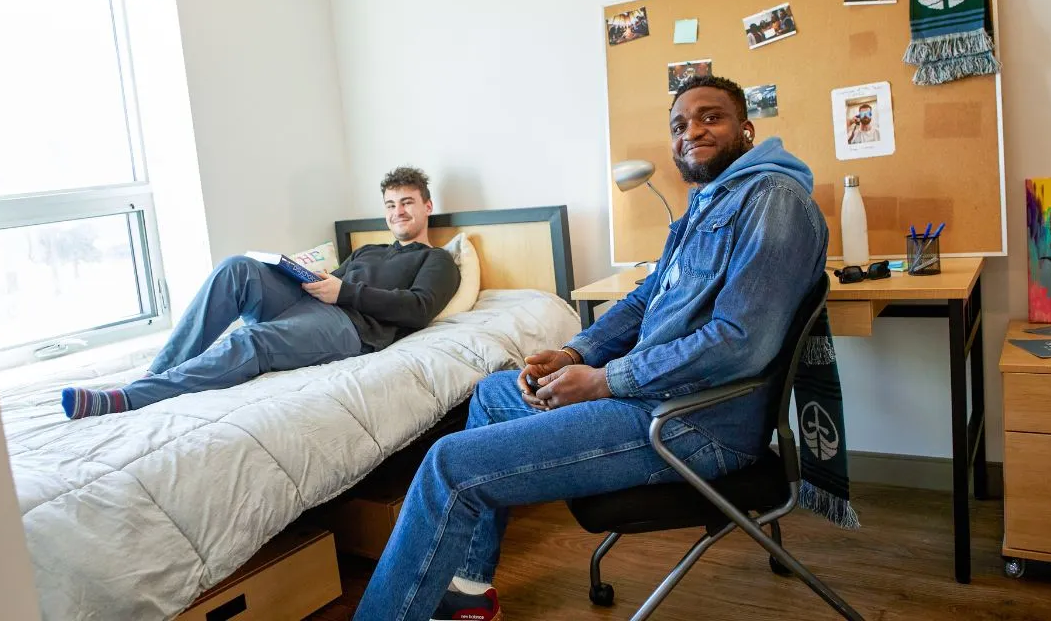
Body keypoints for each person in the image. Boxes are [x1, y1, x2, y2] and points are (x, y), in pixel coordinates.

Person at [353, 76, 828, 621]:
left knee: (448, 466)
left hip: (693, 423)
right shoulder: (706, 205)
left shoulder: (774, 201)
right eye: (679, 125)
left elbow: (740, 343)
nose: (692, 131)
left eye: (710, 117)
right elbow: (644, 298)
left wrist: (606, 380)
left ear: (746, 129)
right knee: (489, 394)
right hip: (650, 400)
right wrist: (575, 354)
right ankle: (468, 588)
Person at [61, 167, 461, 419]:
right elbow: (336, 282)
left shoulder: (438, 260)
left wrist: (344, 292)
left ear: (427, 206)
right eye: (390, 204)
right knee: (237, 268)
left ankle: (131, 397)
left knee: (249, 339)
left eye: (407, 202)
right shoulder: (368, 249)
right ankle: (160, 369)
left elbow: (417, 310)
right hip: (311, 301)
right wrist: (310, 276)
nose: (397, 212)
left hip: (349, 327)